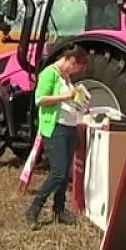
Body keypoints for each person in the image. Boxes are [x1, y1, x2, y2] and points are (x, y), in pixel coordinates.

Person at [25, 44, 89, 230]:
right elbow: (40, 99)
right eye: (77, 67)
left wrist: (79, 103)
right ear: (70, 60)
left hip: (69, 127)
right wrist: (65, 96)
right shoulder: (49, 73)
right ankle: (34, 209)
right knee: (58, 173)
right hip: (55, 129)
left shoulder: (66, 77)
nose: (76, 71)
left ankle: (59, 209)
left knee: (64, 172)